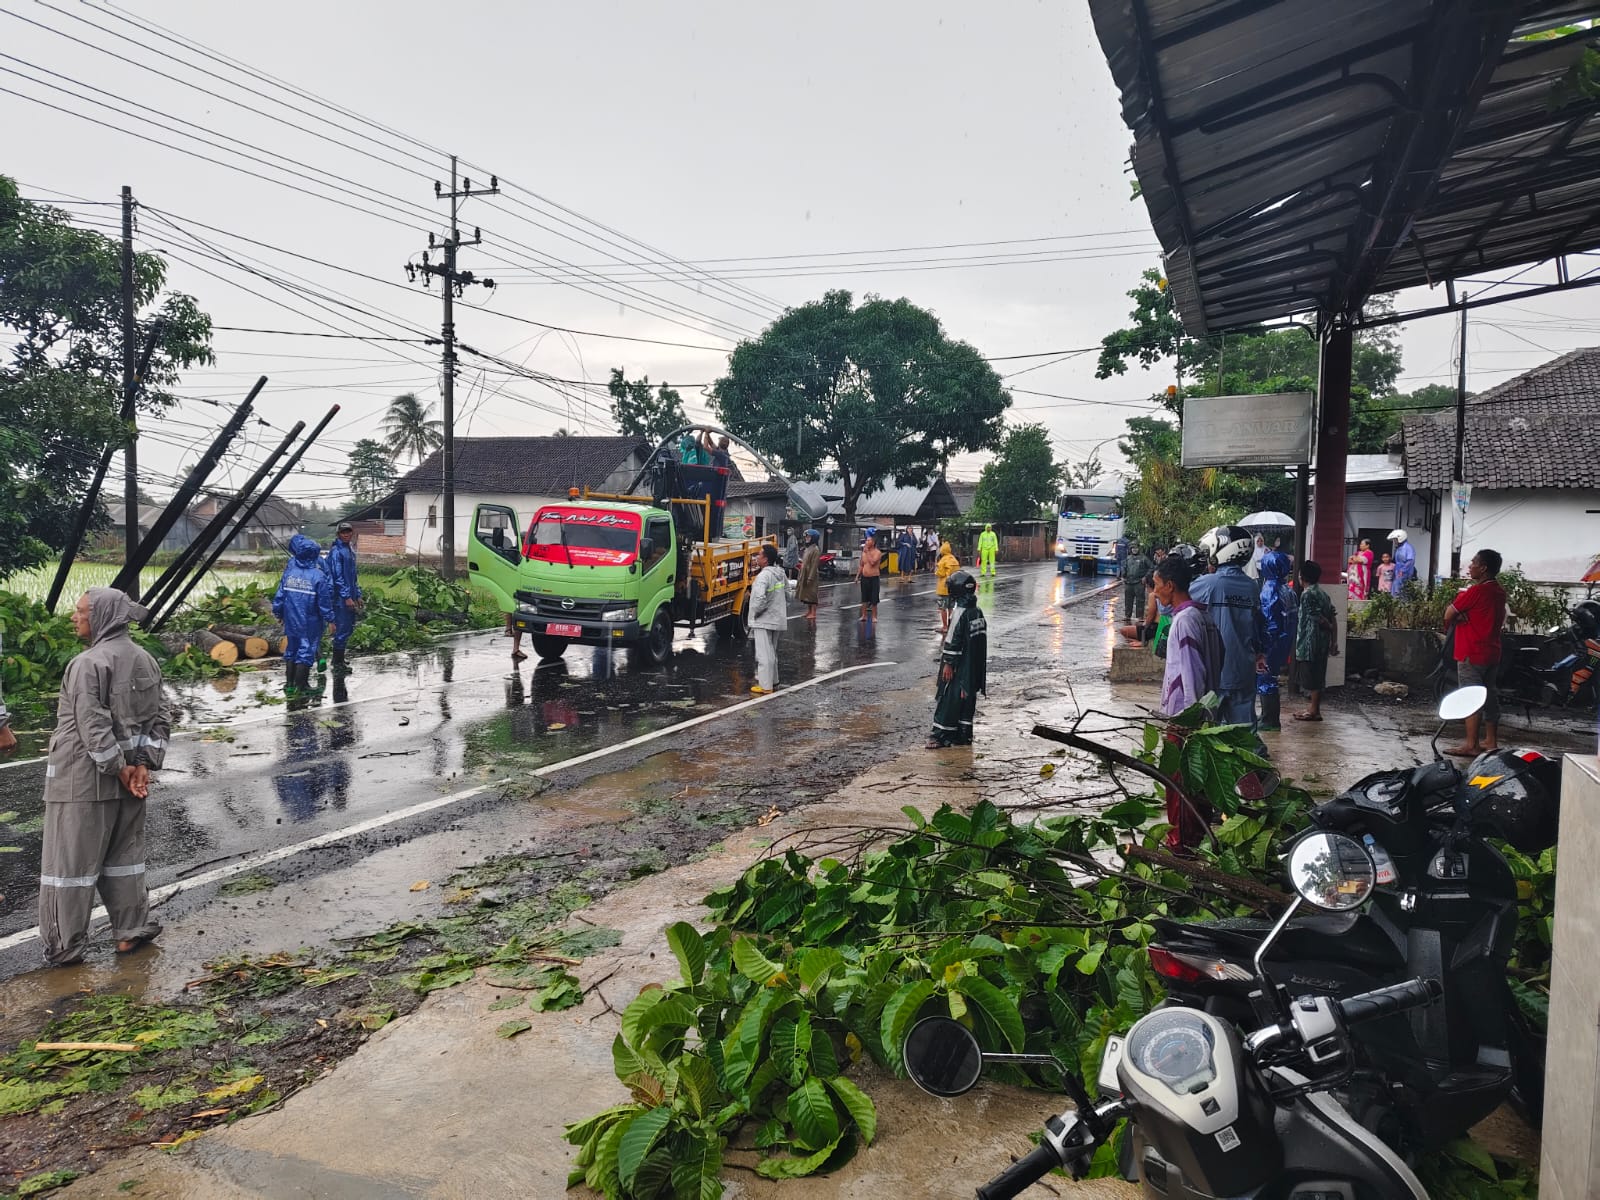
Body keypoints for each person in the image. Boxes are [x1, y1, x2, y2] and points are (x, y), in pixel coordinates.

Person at [39, 588, 169, 966]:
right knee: (125, 860)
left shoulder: (86, 664)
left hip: (82, 783)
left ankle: (64, 946)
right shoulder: (147, 661)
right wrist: (143, 764)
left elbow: (91, 725)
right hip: (131, 784)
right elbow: (160, 718)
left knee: (69, 868)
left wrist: (119, 767)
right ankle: (130, 932)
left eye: (81, 611)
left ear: (103, 616)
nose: (74, 617)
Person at [1151, 556, 1222, 849]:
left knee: (1179, 782)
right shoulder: (1203, 617)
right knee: (1196, 780)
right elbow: (1218, 660)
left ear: (1170, 585)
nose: (1155, 593)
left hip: (1185, 717)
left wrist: (1193, 718)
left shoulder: (1184, 621)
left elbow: (1193, 671)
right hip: (1199, 712)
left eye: (1157, 586)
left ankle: (1180, 840)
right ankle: (1195, 834)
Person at [1191, 525, 1267, 732]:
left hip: (1216, 668)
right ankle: (1254, 758)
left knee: (1209, 727)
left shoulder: (1209, 583)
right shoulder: (1252, 586)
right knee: (1244, 727)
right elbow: (1258, 625)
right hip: (1243, 667)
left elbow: (1173, 603)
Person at [1442, 548, 1507, 757]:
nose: (1470, 566)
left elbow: (1448, 614)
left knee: (1470, 697)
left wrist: (1458, 620)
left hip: (1471, 651)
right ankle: (1491, 740)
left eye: (1473, 563)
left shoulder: (1475, 592)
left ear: (1484, 568)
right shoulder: (1499, 591)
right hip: (1492, 651)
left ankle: (1471, 744)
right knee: (1489, 695)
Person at [927, 569, 986, 748]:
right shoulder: (977, 612)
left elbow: (953, 640)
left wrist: (948, 664)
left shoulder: (961, 612)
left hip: (959, 666)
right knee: (966, 700)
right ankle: (963, 735)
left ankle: (941, 736)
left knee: (949, 698)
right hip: (973, 667)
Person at [273, 534, 336, 698]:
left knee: (291, 649)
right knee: (306, 651)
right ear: (314, 554)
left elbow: (280, 595)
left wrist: (278, 613)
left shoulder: (289, 572)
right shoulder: (318, 576)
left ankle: (290, 685)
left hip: (291, 618)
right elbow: (324, 602)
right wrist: (330, 619)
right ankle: (302, 686)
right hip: (310, 620)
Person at [1255, 541, 1295, 731]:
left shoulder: (1269, 589)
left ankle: (1269, 719)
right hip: (1285, 639)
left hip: (1272, 640)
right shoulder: (1288, 589)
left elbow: (1269, 619)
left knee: (1265, 677)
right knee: (1271, 676)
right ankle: (1269, 717)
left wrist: (1262, 644)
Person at [1292, 560, 1337, 722]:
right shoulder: (1323, 593)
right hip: (1322, 642)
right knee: (1318, 674)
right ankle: (1313, 708)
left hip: (1310, 642)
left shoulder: (1307, 594)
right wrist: (1333, 640)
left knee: (1311, 676)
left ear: (1302, 576)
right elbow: (1333, 615)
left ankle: (1314, 711)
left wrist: (1329, 627)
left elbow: (1317, 617)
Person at [748, 544, 788, 695]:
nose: (757, 557)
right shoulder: (780, 573)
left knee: (764, 654)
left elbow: (759, 598)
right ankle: (774, 681)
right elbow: (788, 594)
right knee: (772, 652)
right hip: (776, 618)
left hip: (764, 620)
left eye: (759, 554)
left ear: (765, 559)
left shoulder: (763, 576)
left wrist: (756, 613)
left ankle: (765, 686)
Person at [325, 521, 363, 673]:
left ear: (352, 533)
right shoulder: (336, 552)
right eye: (343, 532)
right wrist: (346, 597)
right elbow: (337, 576)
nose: (346, 534)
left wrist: (357, 594)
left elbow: (353, 577)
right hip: (340, 599)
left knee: (348, 628)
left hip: (350, 595)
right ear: (338, 534)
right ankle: (337, 663)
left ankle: (338, 658)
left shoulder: (350, 550)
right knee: (342, 628)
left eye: (348, 532)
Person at [854, 533, 883, 623]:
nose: (866, 542)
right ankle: (864, 615)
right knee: (864, 598)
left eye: (868, 540)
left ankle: (874, 616)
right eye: (866, 540)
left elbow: (873, 562)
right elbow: (861, 565)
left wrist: (867, 553)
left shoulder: (877, 552)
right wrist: (857, 576)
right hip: (864, 578)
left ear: (873, 542)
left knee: (874, 598)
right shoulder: (863, 553)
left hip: (874, 578)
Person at [934, 540, 961, 633]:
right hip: (953, 587)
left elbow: (940, 573)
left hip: (944, 587)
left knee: (942, 608)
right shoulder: (954, 559)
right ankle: (951, 626)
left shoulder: (943, 560)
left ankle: (945, 626)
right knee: (951, 607)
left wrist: (936, 571)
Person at [1121, 541, 1152, 621]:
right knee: (1128, 600)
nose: (1134, 550)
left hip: (1139, 582)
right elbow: (1124, 567)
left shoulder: (1143, 558)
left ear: (1139, 549)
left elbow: (1152, 567)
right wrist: (1123, 576)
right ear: (1131, 549)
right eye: (1133, 548)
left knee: (1140, 600)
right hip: (1128, 582)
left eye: (1136, 548)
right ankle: (1127, 616)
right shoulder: (1128, 558)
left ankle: (1140, 617)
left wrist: (1145, 577)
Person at [796, 529, 821, 624]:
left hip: (811, 574)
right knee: (806, 594)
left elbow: (814, 565)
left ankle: (813, 612)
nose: (807, 538)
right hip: (805, 573)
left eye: (809, 537)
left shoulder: (815, 549)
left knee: (812, 594)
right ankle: (809, 611)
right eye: (806, 537)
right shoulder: (808, 548)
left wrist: (810, 577)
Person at [1388, 529, 1416, 595]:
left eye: (1395, 539)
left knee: (1401, 589)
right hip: (1397, 571)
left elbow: (1410, 560)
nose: (1394, 541)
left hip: (1405, 572)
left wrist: (1403, 570)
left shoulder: (1408, 547)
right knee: (1395, 587)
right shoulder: (1399, 548)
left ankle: (1402, 604)